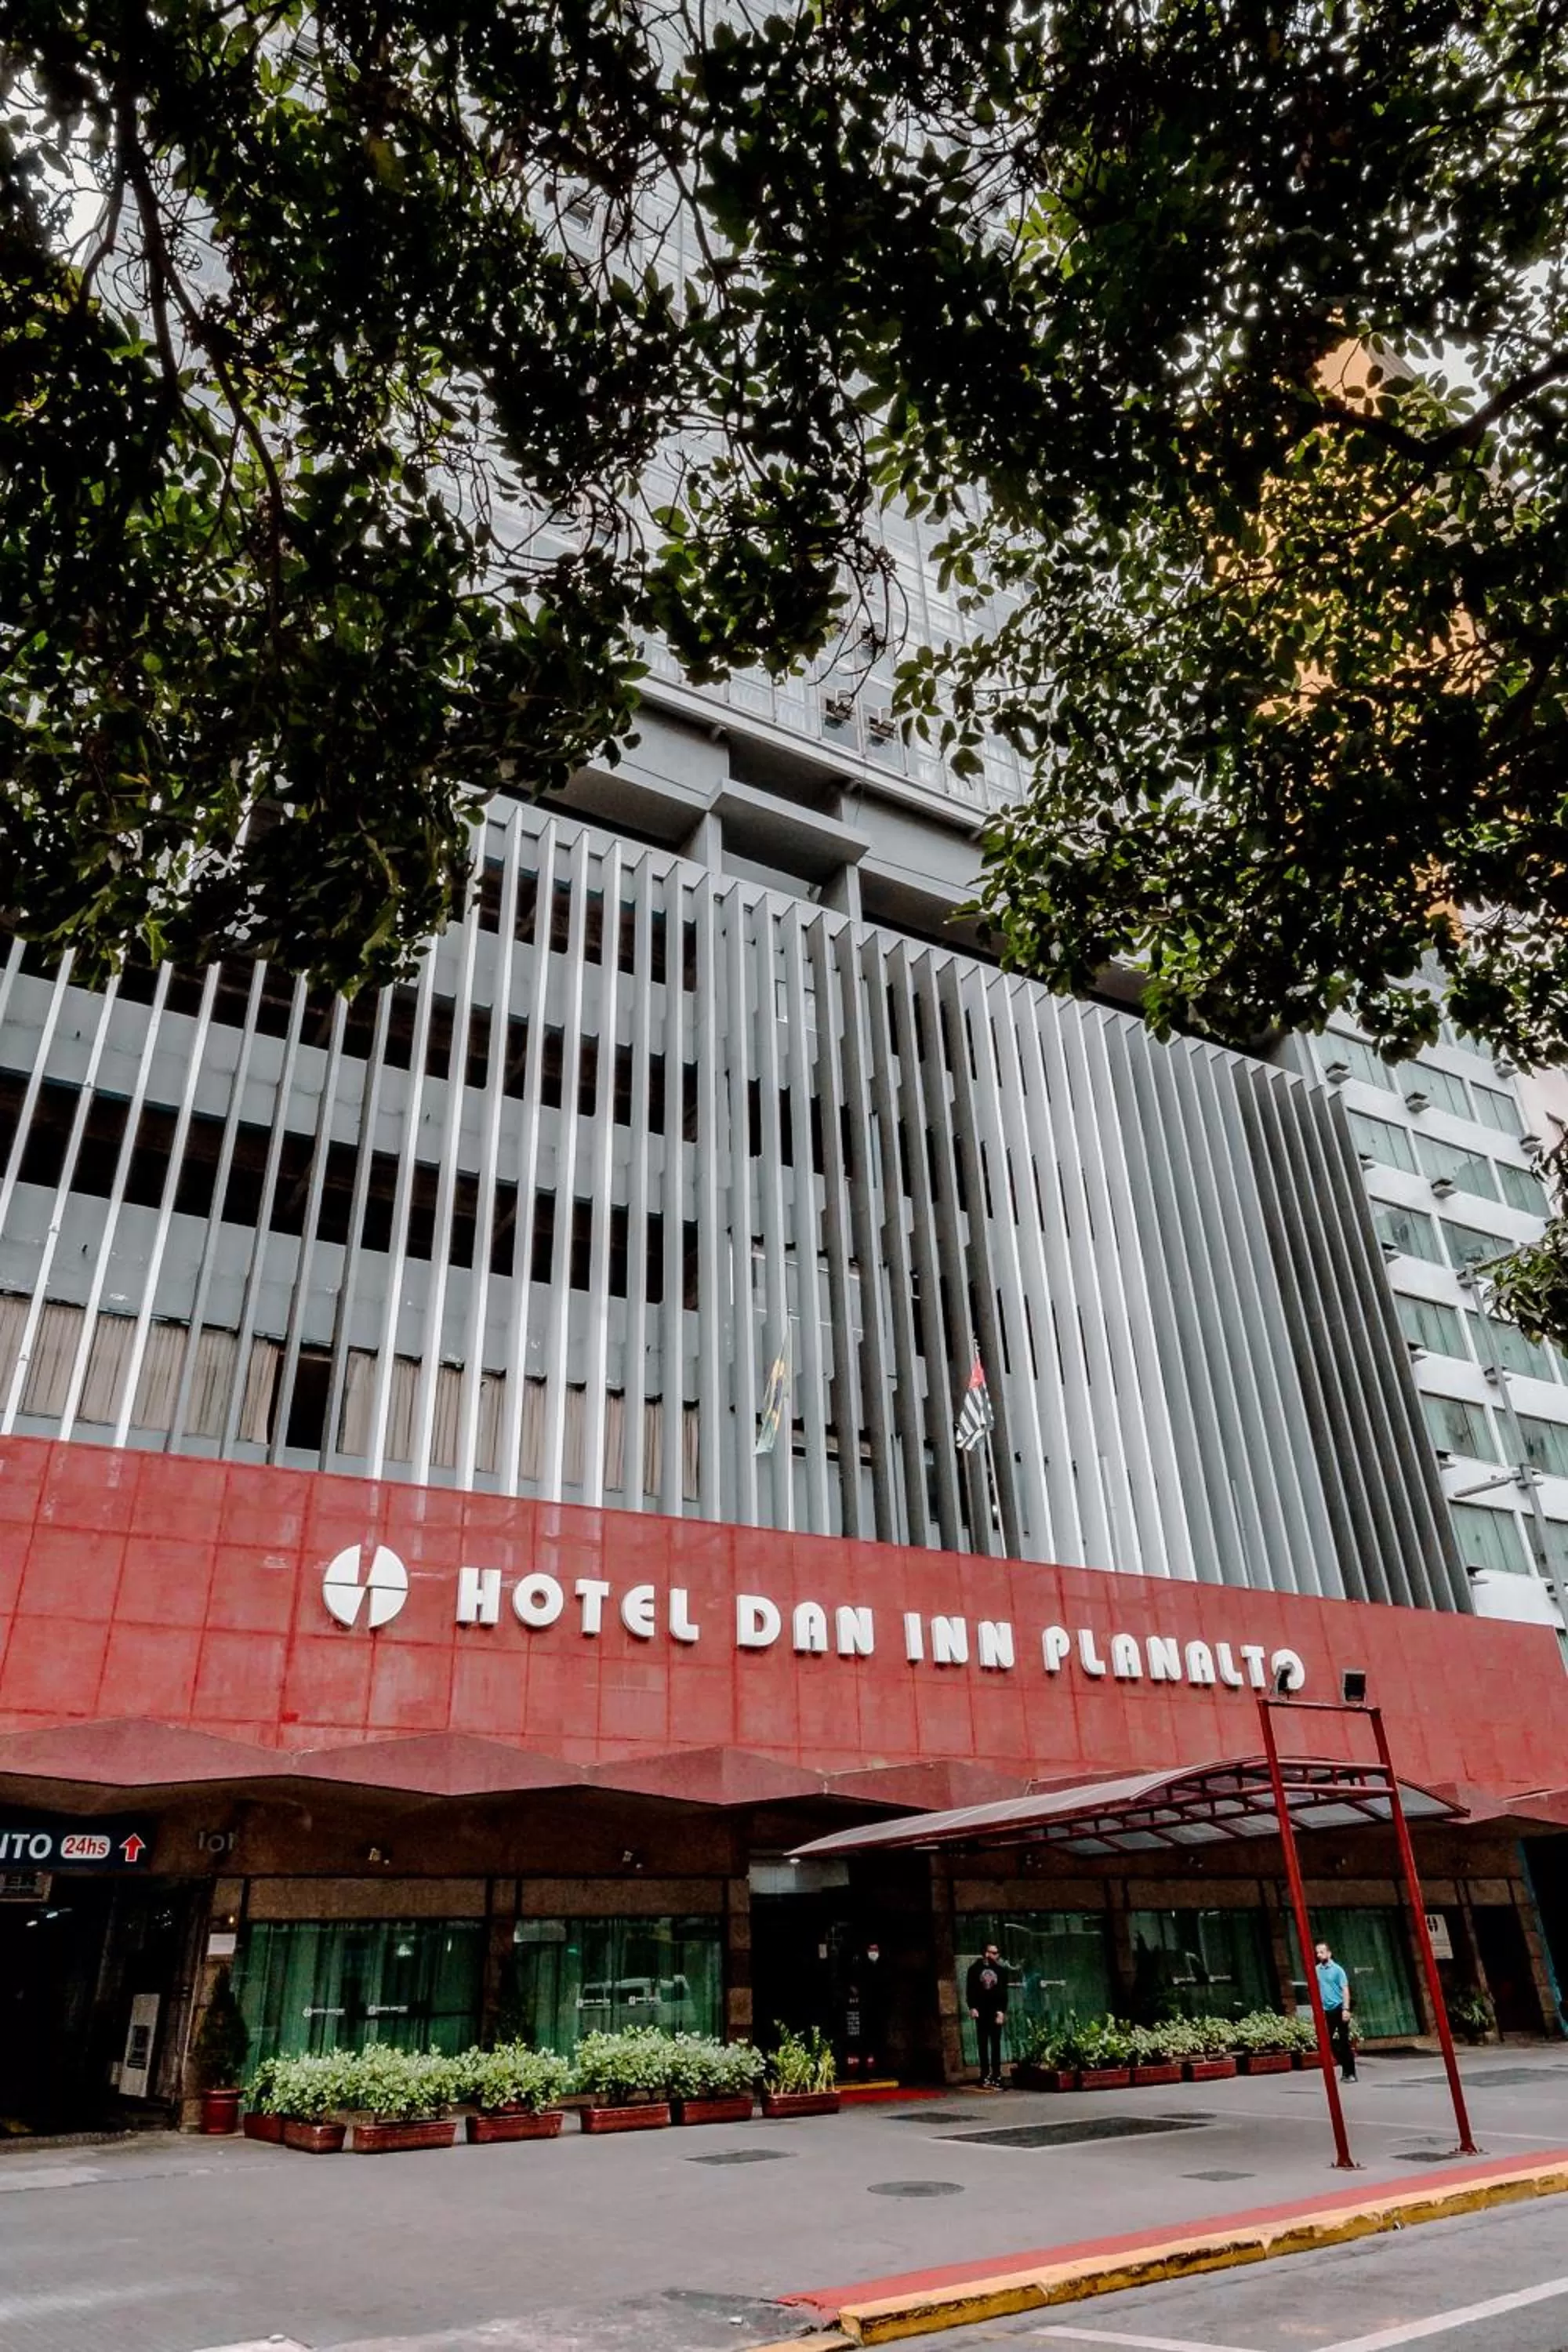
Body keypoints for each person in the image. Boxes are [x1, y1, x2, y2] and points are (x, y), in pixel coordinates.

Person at [965, 1941, 1011, 2088]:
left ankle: (997, 2073)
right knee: (982, 2043)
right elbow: (970, 1989)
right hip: (981, 2011)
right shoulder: (974, 1969)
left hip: (995, 2011)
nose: (994, 1956)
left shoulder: (1001, 1970)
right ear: (985, 1953)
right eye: (992, 1952)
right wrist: (972, 2007)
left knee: (996, 2043)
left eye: (996, 1953)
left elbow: (1003, 1993)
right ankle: (984, 2073)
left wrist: (1002, 2011)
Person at [1314, 1938, 1357, 2082]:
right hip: (1326, 2010)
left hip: (1339, 2007)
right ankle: (1344, 2065)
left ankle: (1350, 2073)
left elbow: (1345, 1989)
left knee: (1344, 2041)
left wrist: (1346, 2009)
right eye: (1318, 1952)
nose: (1319, 1955)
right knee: (1327, 2041)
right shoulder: (1317, 1970)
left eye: (1322, 1952)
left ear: (1329, 1953)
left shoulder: (1338, 1970)